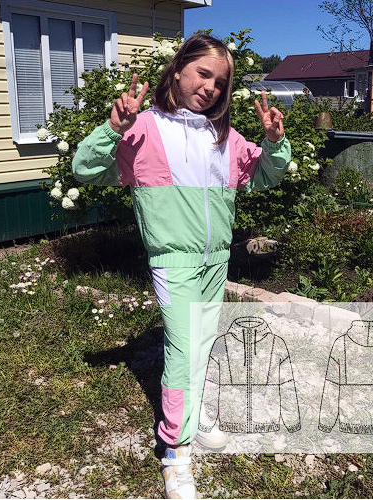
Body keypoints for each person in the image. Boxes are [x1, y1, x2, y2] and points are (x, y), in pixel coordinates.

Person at [72, 34, 291, 499]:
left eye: (220, 82)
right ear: (177, 71)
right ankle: (175, 451)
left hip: (217, 261)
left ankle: (196, 411)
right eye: (203, 73)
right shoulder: (145, 129)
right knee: (184, 349)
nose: (210, 87)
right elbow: (85, 170)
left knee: (204, 343)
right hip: (174, 261)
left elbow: (266, 176)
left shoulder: (224, 137)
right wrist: (112, 129)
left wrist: (275, 142)